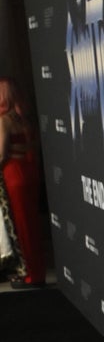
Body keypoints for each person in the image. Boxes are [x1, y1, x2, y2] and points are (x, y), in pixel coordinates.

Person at [0, 80, 43, 286]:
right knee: (33, 225)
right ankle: (37, 271)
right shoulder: (26, 120)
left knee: (23, 227)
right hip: (30, 171)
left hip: (14, 175)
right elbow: (33, 146)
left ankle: (31, 275)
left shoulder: (4, 121)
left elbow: (1, 153)